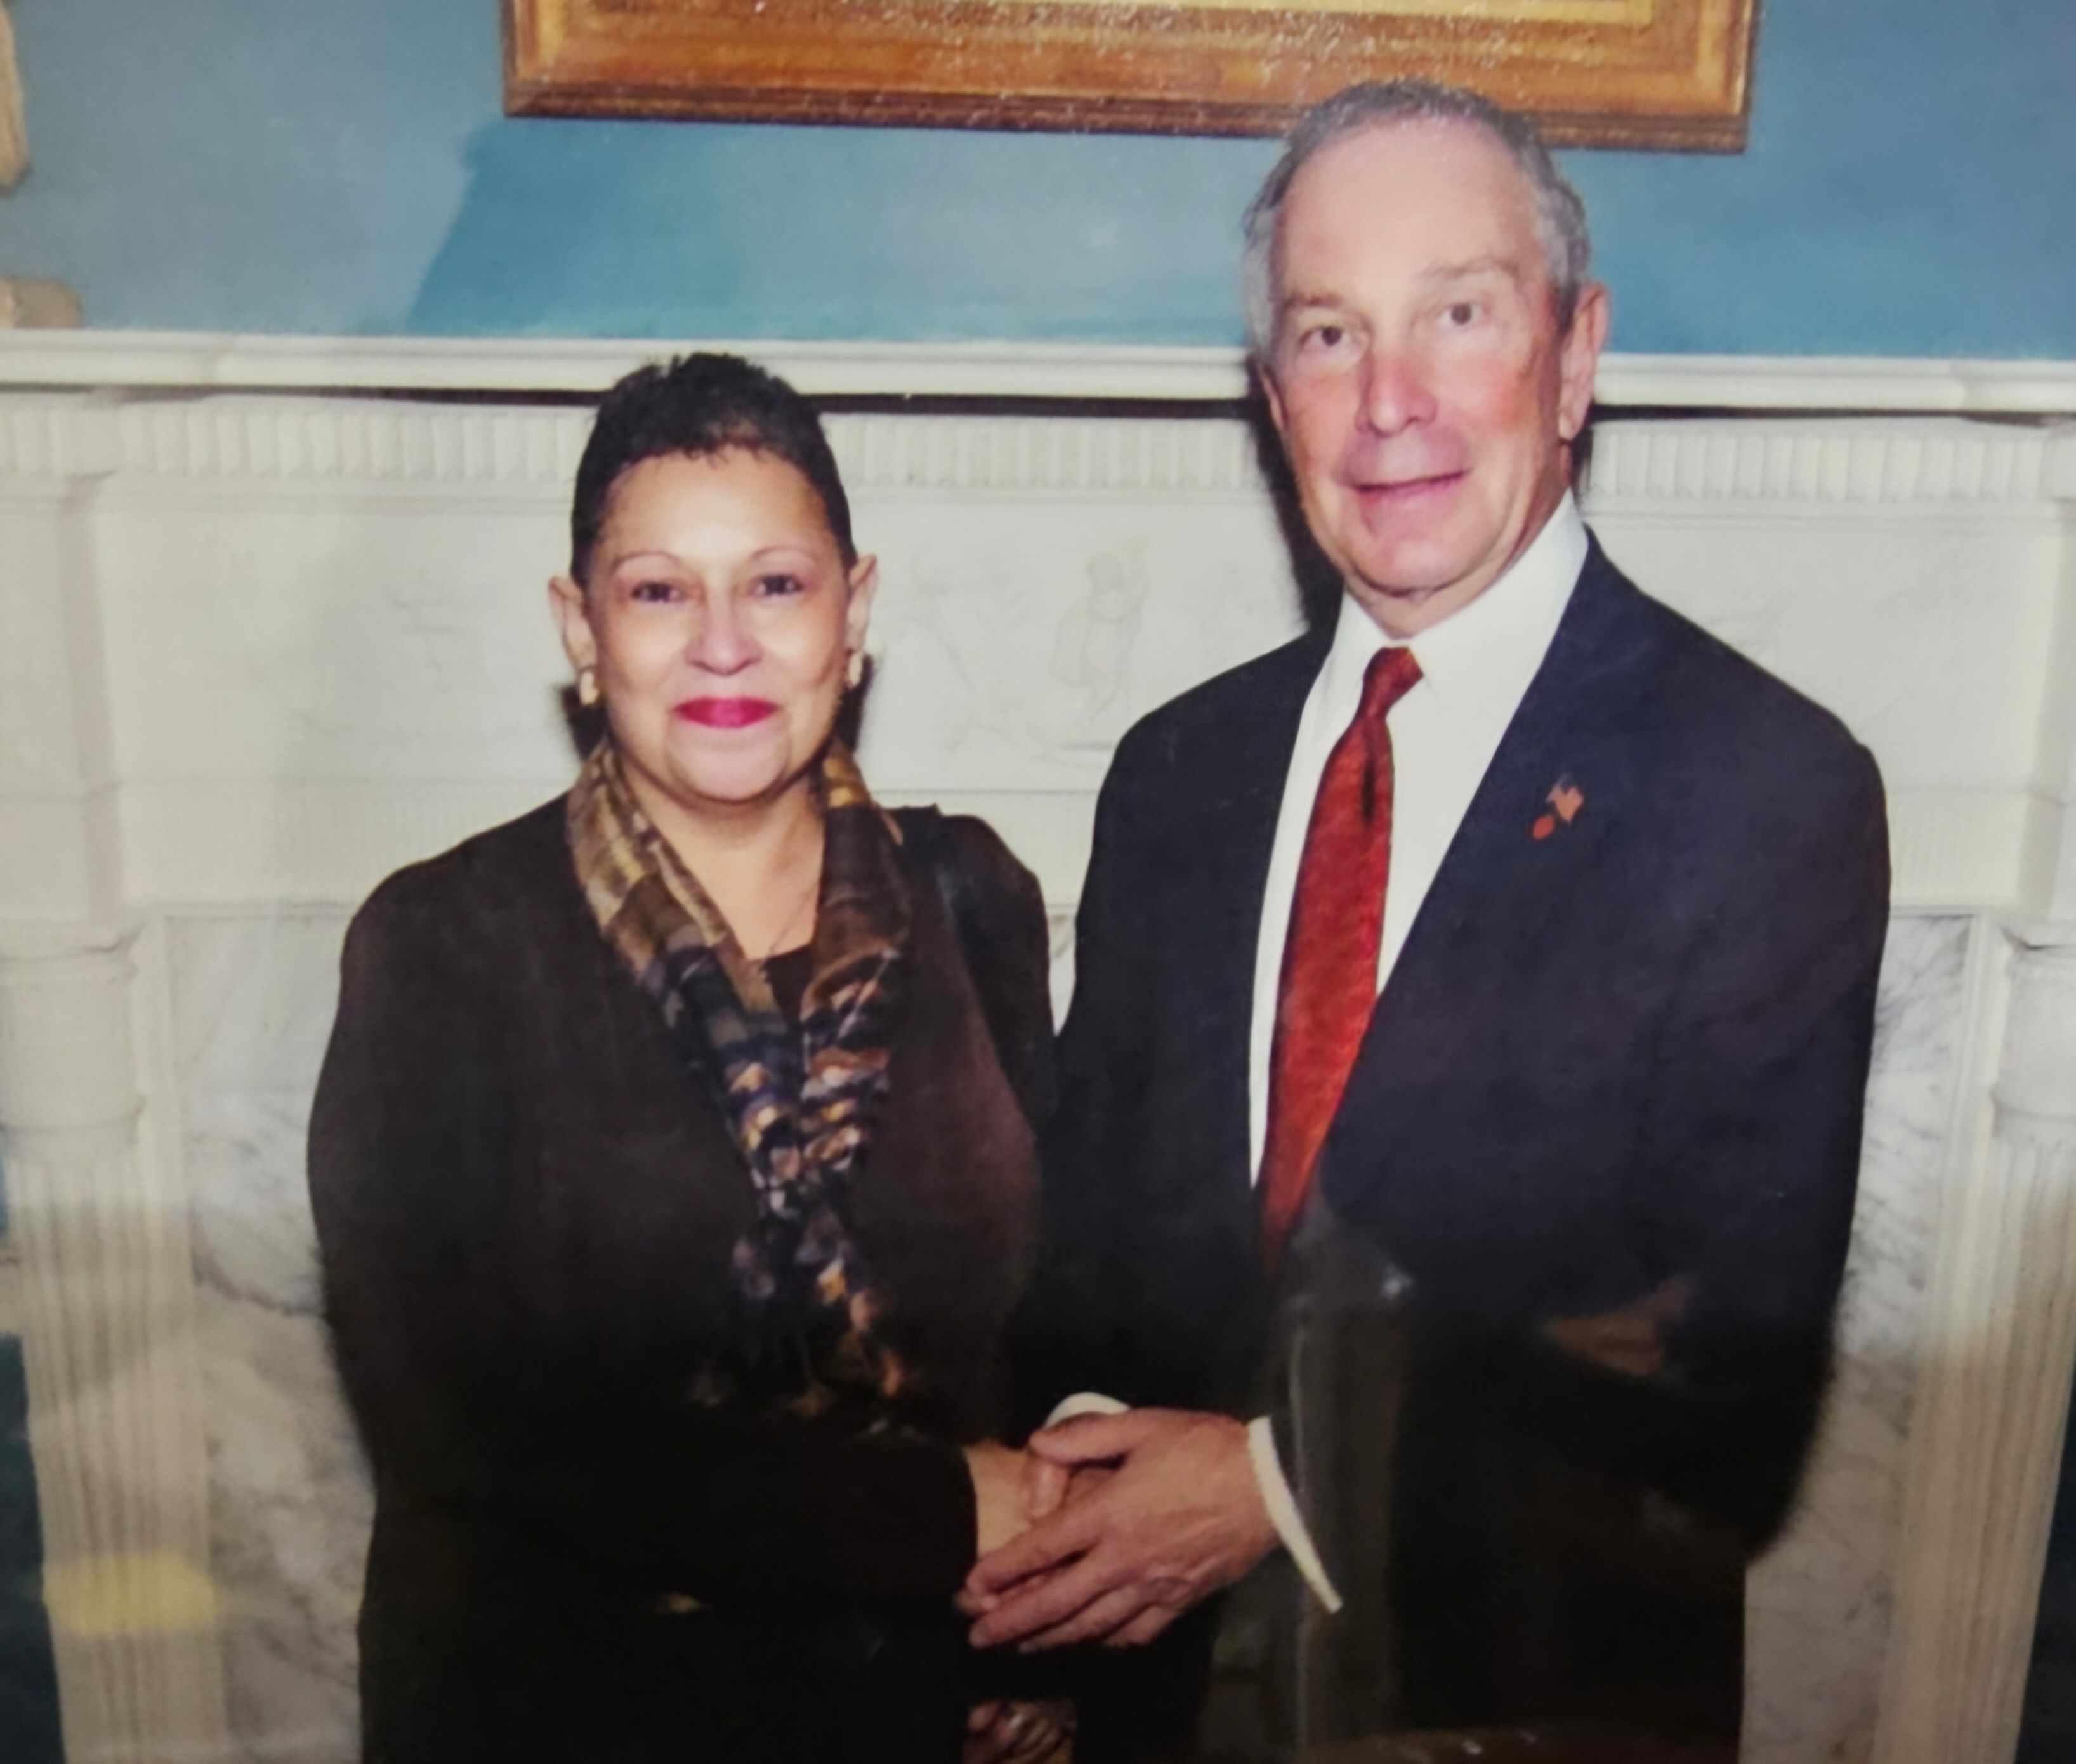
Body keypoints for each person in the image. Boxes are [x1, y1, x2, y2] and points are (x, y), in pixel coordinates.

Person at [975, 81, 1889, 1760]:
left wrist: (1270, 1484)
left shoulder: (1764, 788)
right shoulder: (1179, 773)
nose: (1389, 401)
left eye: (1458, 315)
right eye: (1330, 335)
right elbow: (1093, 1249)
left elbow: (1723, 1402)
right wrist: (1078, 1510)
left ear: (1576, 355)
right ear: (1274, 400)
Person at [309, 354, 1072, 1763]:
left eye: (776, 584)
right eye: (659, 591)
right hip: (557, 1717)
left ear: (854, 612)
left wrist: (1043, 1622)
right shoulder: (442, 943)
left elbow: (1034, 1320)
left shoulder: (975, 895)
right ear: (581, 627)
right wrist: (934, 1518)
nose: (724, 644)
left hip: (912, 1715)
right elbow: (467, 1430)